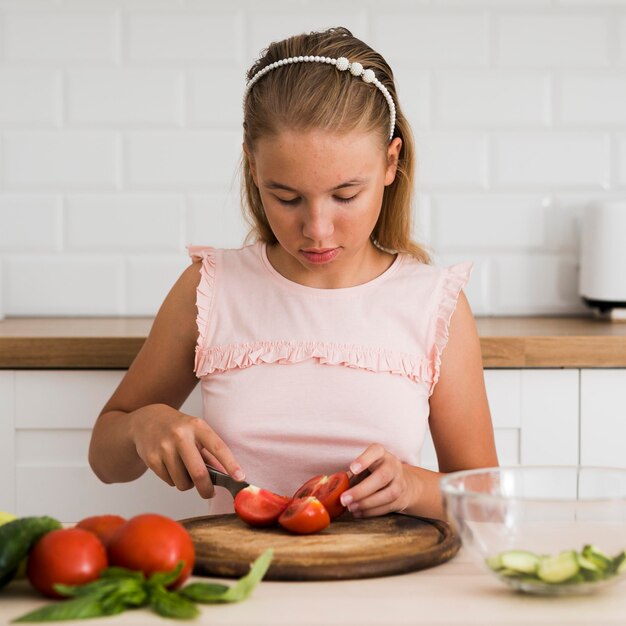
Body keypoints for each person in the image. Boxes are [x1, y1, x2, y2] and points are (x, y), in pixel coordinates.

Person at [88, 26, 498, 521]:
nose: (317, 230)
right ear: (253, 166)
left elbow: (488, 503)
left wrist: (413, 487)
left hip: (388, 589)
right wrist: (143, 425)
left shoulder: (434, 304)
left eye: (345, 195)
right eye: (287, 197)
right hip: (240, 588)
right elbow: (105, 461)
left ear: (391, 162)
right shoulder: (211, 288)